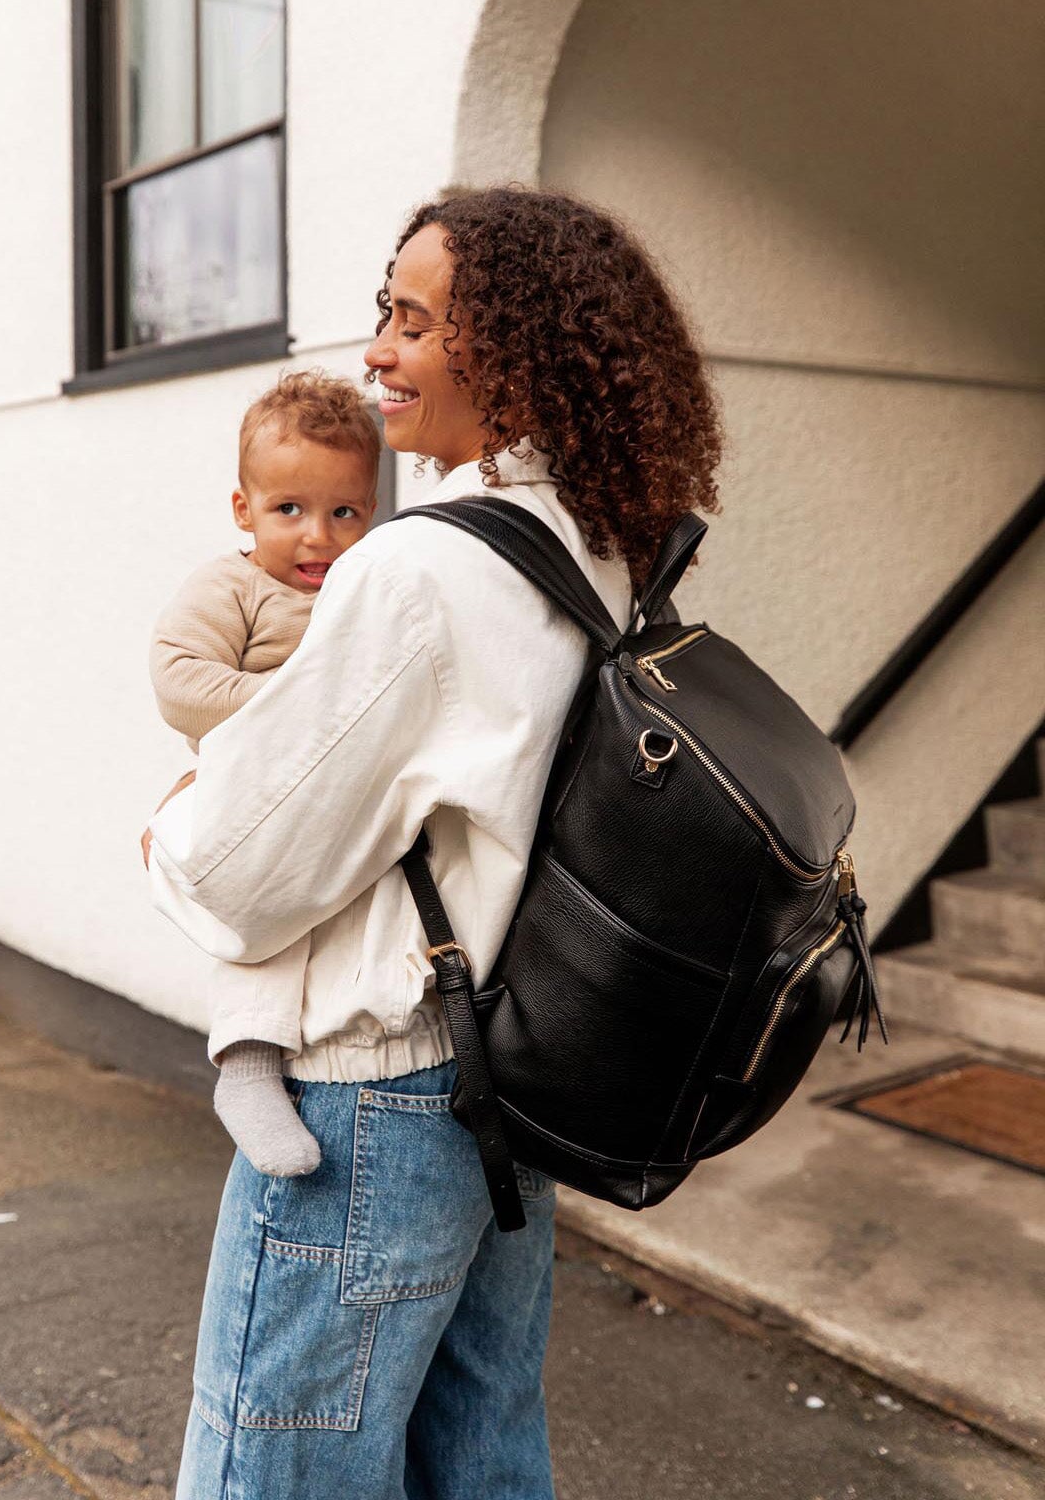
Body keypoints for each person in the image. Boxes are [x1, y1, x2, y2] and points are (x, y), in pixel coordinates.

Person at [146, 186, 722, 1500]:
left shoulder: (421, 573)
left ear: (507, 355)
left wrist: (169, 825)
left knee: (276, 1474)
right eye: (383, 312)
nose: (377, 352)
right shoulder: (601, 547)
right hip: (504, 1104)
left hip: (370, 1108)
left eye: (414, 321)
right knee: (481, 1464)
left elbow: (243, 869)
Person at [149, 370, 380, 1177]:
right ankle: (246, 1066)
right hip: (254, 789)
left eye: (344, 511)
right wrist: (292, 708)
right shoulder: (235, 585)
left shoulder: (366, 588)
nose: (318, 535)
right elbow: (181, 679)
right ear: (245, 510)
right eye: (291, 510)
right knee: (268, 915)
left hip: (343, 788)